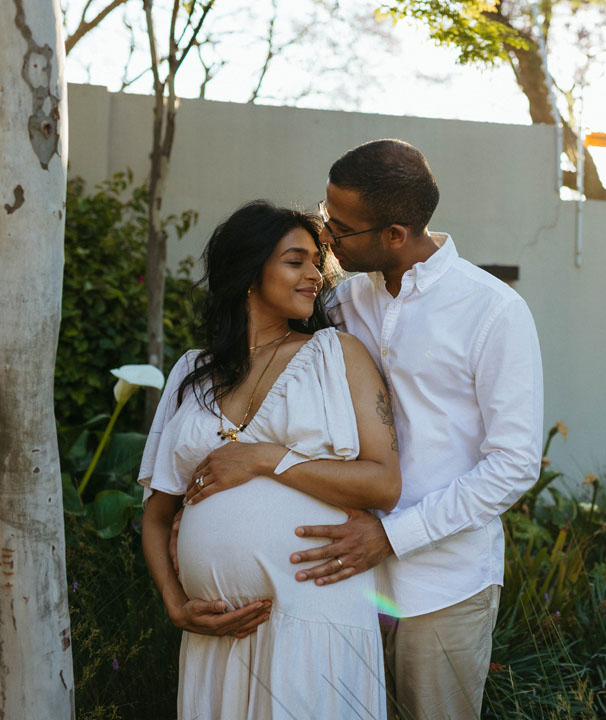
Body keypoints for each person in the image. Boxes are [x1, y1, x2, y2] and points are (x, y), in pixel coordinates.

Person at [193, 140, 544, 719]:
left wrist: (392, 536)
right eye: (326, 216)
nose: (326, 237)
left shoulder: (494, 312)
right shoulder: (344, 301)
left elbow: (513, 465)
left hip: (442, 585)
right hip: (333, 583)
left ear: (396, 234)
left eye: (341, 228)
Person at [139, 201, 401, 720]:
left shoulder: (337, 353)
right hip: (216, 634)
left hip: (315, 618)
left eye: (316, 261)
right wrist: (176, 605)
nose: (314, 276)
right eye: (295, 261)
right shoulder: (193, 372)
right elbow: (156, 515)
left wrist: (267, 459)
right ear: (249, 271)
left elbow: (383, 483)